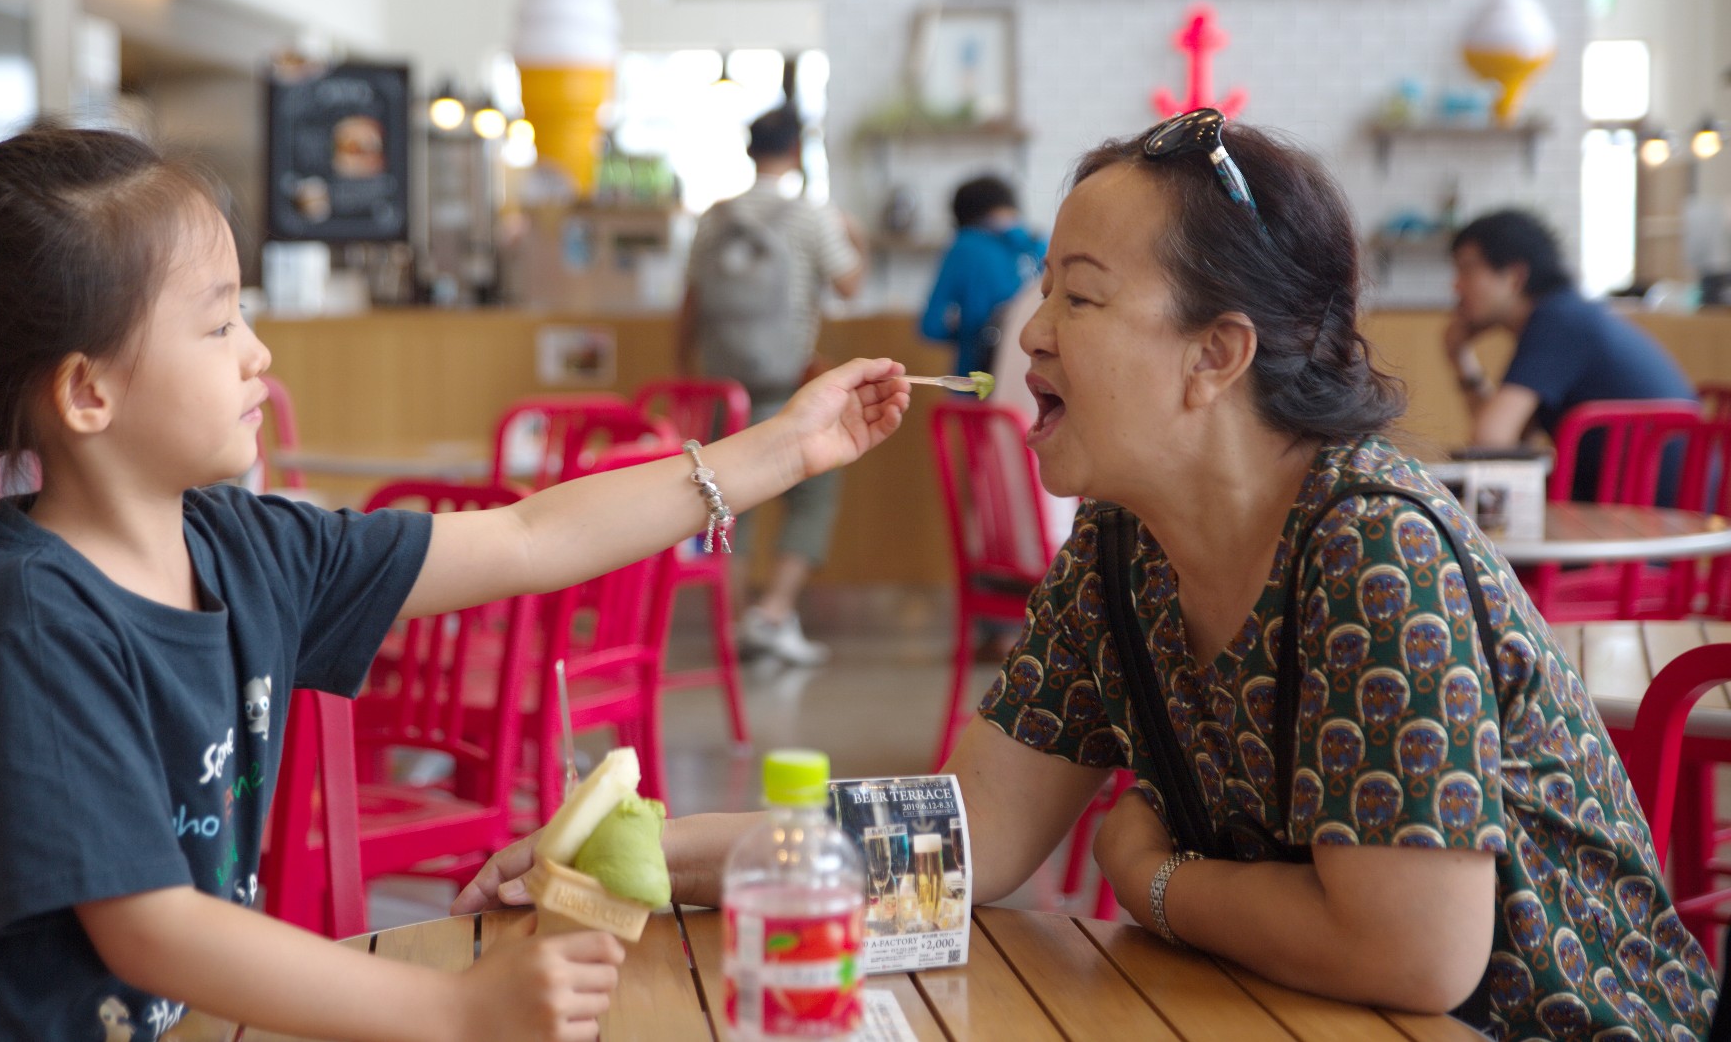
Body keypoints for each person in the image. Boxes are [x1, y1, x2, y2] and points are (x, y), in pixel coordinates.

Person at [461, 112, 1717, 1041]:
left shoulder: (1366, 546)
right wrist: (631, 856)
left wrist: (1156, 882)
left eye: (1080, 298)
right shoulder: (1119, 552)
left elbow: (1414, 950)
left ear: (1214, 355)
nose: (1030, 334)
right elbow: (955, 848)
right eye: (1044, 291)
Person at [0, 126, 910, 1041]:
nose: (257, 353)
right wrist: (454, 1014)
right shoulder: (37, 625)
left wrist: (784, 450)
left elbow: (528, 537)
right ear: (86, 392)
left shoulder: (244, 550)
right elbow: (150, 930)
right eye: (217, 321)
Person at [677, 102, 866, 667]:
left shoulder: (713, 216)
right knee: (815, 494)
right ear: (797, 152)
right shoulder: (811, 216)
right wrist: (855, 235)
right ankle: (774, 614)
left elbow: (688, 305)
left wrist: (687, 377)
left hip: (721, 391)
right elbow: (851, 285)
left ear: (749, 150)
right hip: (788, 389)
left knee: (727, 507)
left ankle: (734, 627)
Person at [1445, 209, 1694, 499]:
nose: (1456, 285)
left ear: (1514, 277)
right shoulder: (1566, 314)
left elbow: (1490, 439)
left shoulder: (1557, 322)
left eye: (1467, 269)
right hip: (1658, 504)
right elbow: (1515, 437)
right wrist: (1461, 359)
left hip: (1646, 514)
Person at [918, 174, 1047, 380]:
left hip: (977, 384)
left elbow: (930, 326)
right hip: (1031, 385)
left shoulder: (964, 246)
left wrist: (967, 327)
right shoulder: (1038, 246)